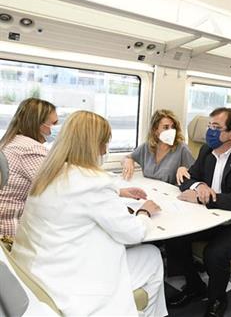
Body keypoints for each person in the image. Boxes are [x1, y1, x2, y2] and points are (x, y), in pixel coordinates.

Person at [11, 111, 167, 316]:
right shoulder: (92, 183)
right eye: (104, 143)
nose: (105, 149)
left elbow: (75, 206)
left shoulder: (49, 173)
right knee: (152, 256)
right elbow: (133, 233)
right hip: (71, 283)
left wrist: (115, 193)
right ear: (94, 145)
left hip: (36, 271)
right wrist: (145, 212)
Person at [166, 107, 231, 317]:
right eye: (209, 126)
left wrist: (202, 197)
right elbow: (187, 180)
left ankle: (216, 301)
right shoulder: (207, 151)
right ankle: (196, 287)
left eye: (216, 127)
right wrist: (199, 187)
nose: (210, 132)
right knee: (175, 238)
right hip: (213, 219)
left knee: (215, 253)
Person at [0, 98, 57, 237]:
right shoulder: (30, 148)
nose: (56, 128)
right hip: (8, 227)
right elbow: (56, 187)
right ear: (38, 123)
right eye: (53, 124)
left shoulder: (12, 140)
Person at [122, 109, 195, 185]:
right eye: (166, 127)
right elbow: (127, 157)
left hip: (170, 193)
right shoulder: (147, 146)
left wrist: (185, 169)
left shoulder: (182, 148)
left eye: (173, 127)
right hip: (150, 191)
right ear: (155, 130)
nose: (171, 131)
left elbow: (196, 173)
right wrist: (128, 160)